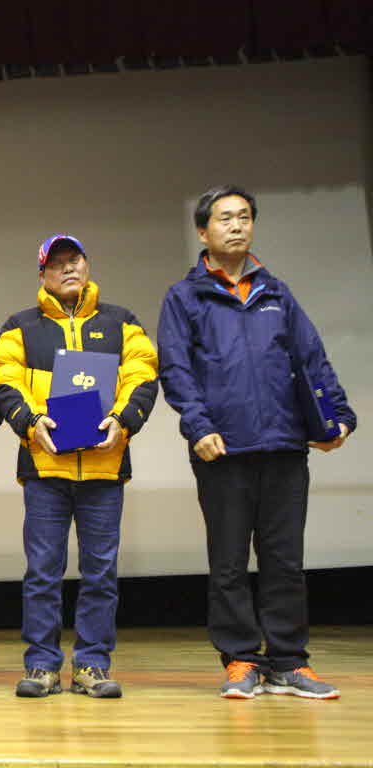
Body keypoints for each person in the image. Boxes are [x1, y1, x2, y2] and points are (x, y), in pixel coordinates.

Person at [158, 185, 355, 700]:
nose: (237, 226)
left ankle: (290, 661)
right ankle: (241, 659)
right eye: (225, 218)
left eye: (244, 217)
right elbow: (176, 370)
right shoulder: (185, 297)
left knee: (285, 560)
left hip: (285, 446)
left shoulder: (277, 293)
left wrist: (338, 417)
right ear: (203, 232)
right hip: (222, 449)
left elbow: (312, 359)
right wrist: (198, 427)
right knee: (228, 562)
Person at [0, 234, 158, 699]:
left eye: (75, 260)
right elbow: (5, 379)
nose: (68, 268)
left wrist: (123, 419)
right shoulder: (20, 326)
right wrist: (31, 421)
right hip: (45, 470)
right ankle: (42, 666)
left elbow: (143, 374)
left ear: (87, 266)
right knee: (42, 572)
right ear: (42, 274)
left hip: (104, 469)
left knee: (100, 573)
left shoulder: (121, 322)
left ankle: (92, 665)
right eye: (57, 263)